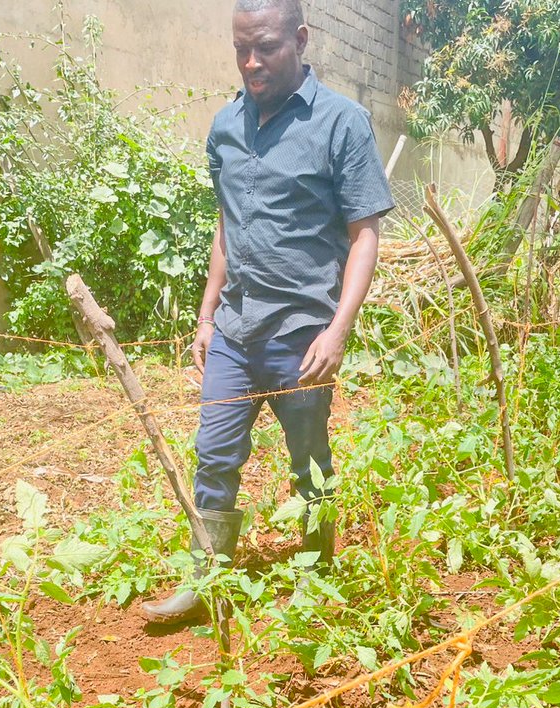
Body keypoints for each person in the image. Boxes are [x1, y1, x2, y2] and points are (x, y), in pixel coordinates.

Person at [142, 0, 394, 624]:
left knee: (309, 461)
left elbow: (364, 234)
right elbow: (226, 226)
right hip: (235, 328)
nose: (251, 62)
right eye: (241, 49)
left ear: (300, 39)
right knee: (213, 452)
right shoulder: (226, 125)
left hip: (303, 335)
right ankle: (207, 582)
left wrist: (338, 330)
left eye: (266, 47)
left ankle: (317, 578)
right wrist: (206, 316)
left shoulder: (342, 122)